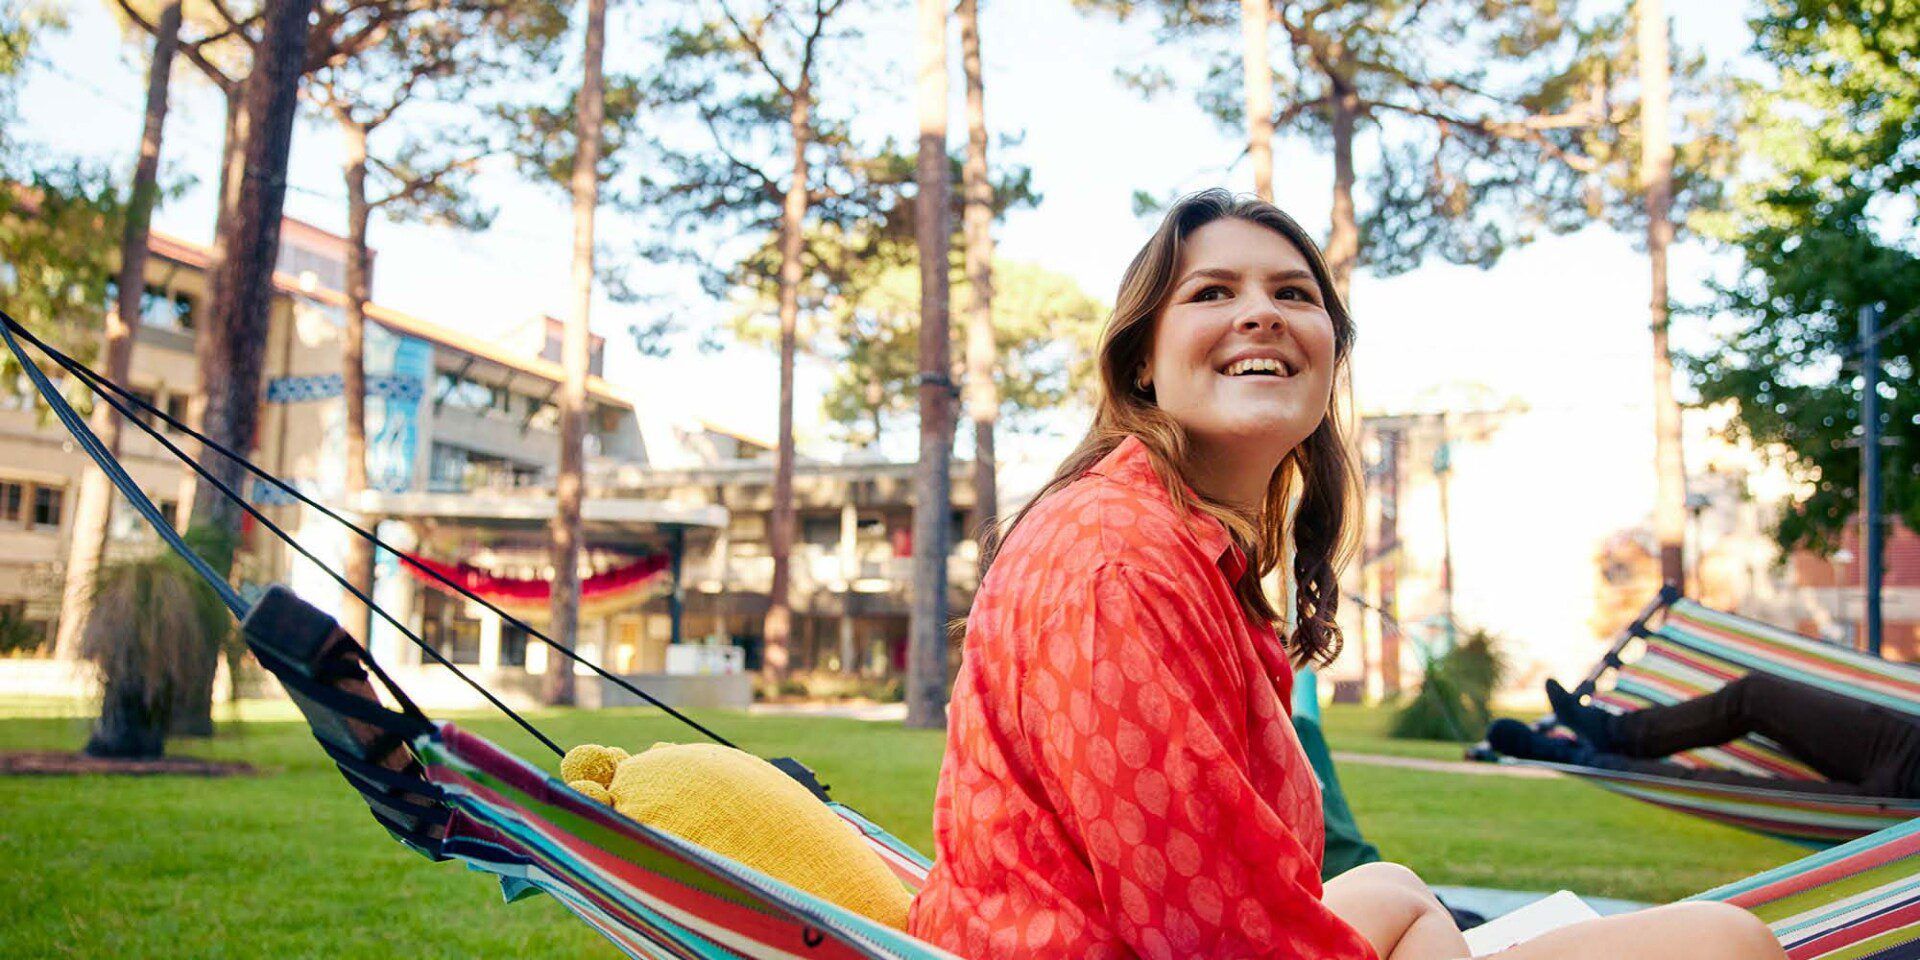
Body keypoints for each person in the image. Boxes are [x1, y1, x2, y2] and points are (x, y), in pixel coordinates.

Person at [903, 189, 1782, 960]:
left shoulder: (1176, 544)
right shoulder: (1116, 561)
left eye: (1294, 294)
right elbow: (1214, 940)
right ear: (1141, 358)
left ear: (1329, 352)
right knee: (1725, 944)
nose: (1263, 314)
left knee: (1400, 888)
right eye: (1213, 293)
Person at [1488, 674, 1920, 798]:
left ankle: (1579, 757)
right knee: (1756, 694)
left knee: (1718, 788)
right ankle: (1614, 732)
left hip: (1902, 812)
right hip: (1906, 742)